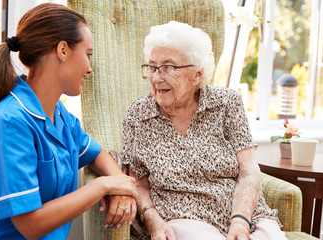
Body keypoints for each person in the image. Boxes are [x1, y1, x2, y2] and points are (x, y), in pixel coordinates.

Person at [0, 3, 138, 239]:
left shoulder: (58, 115)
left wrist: (121, 188)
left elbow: (97, 154)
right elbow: (31, 225)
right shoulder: (8, 123)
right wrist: (103, 186)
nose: (89, 68)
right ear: (63, 50)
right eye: (87, 55)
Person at [122, 21, 287, 240]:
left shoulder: (227, 104)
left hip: (246, 217)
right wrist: (154, 221)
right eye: (152, 67)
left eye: (168, 67)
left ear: (197, 74)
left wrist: (240, 222)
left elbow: (249, 170)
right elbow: (138, 184)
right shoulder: (139, 115)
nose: (156, 77)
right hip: (183, 220)